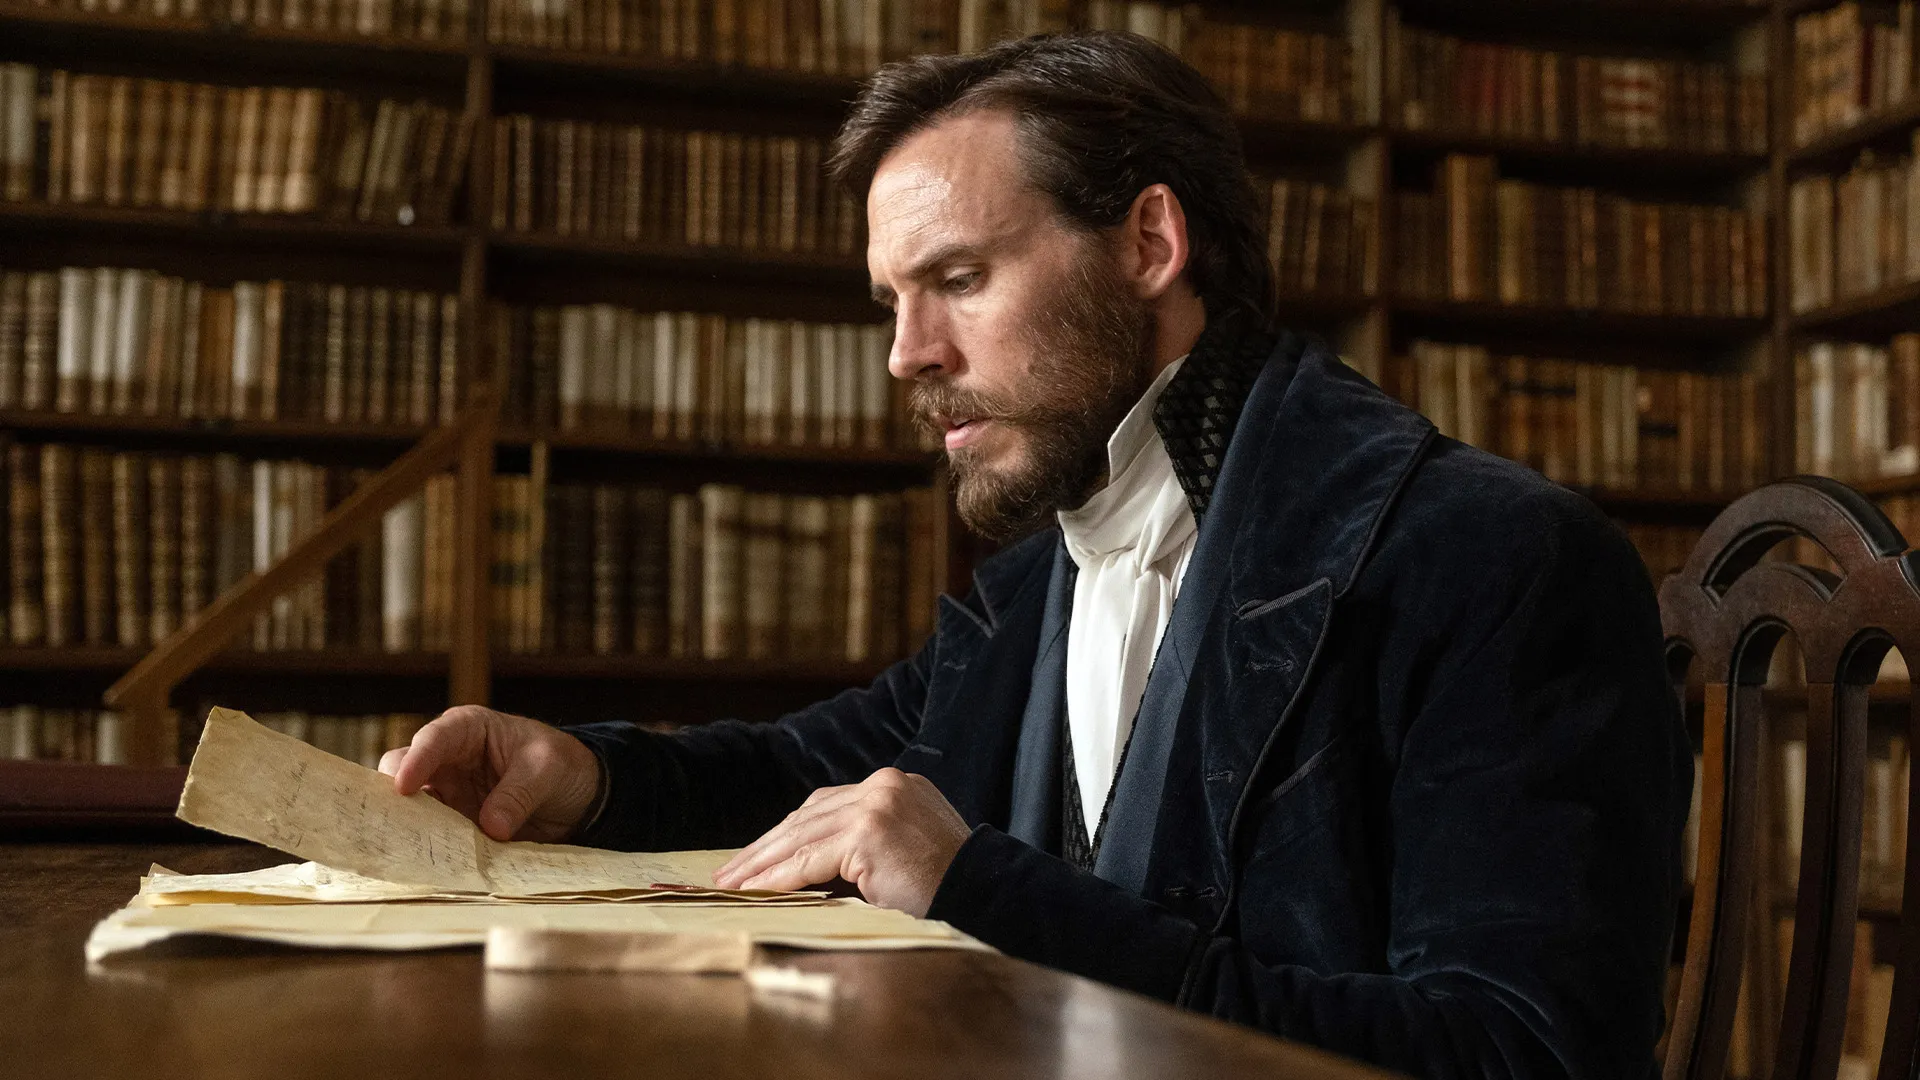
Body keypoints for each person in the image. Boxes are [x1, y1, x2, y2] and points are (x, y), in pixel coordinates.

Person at [381, 31, 1693, 1077]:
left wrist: (981, 886)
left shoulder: (1497, 561)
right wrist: (584, 777)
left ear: (1149, 245)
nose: (908, 354)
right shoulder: (1041, 585)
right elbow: (808, 772)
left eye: (956, 278)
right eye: (894, 302)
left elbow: (1525, 1053)